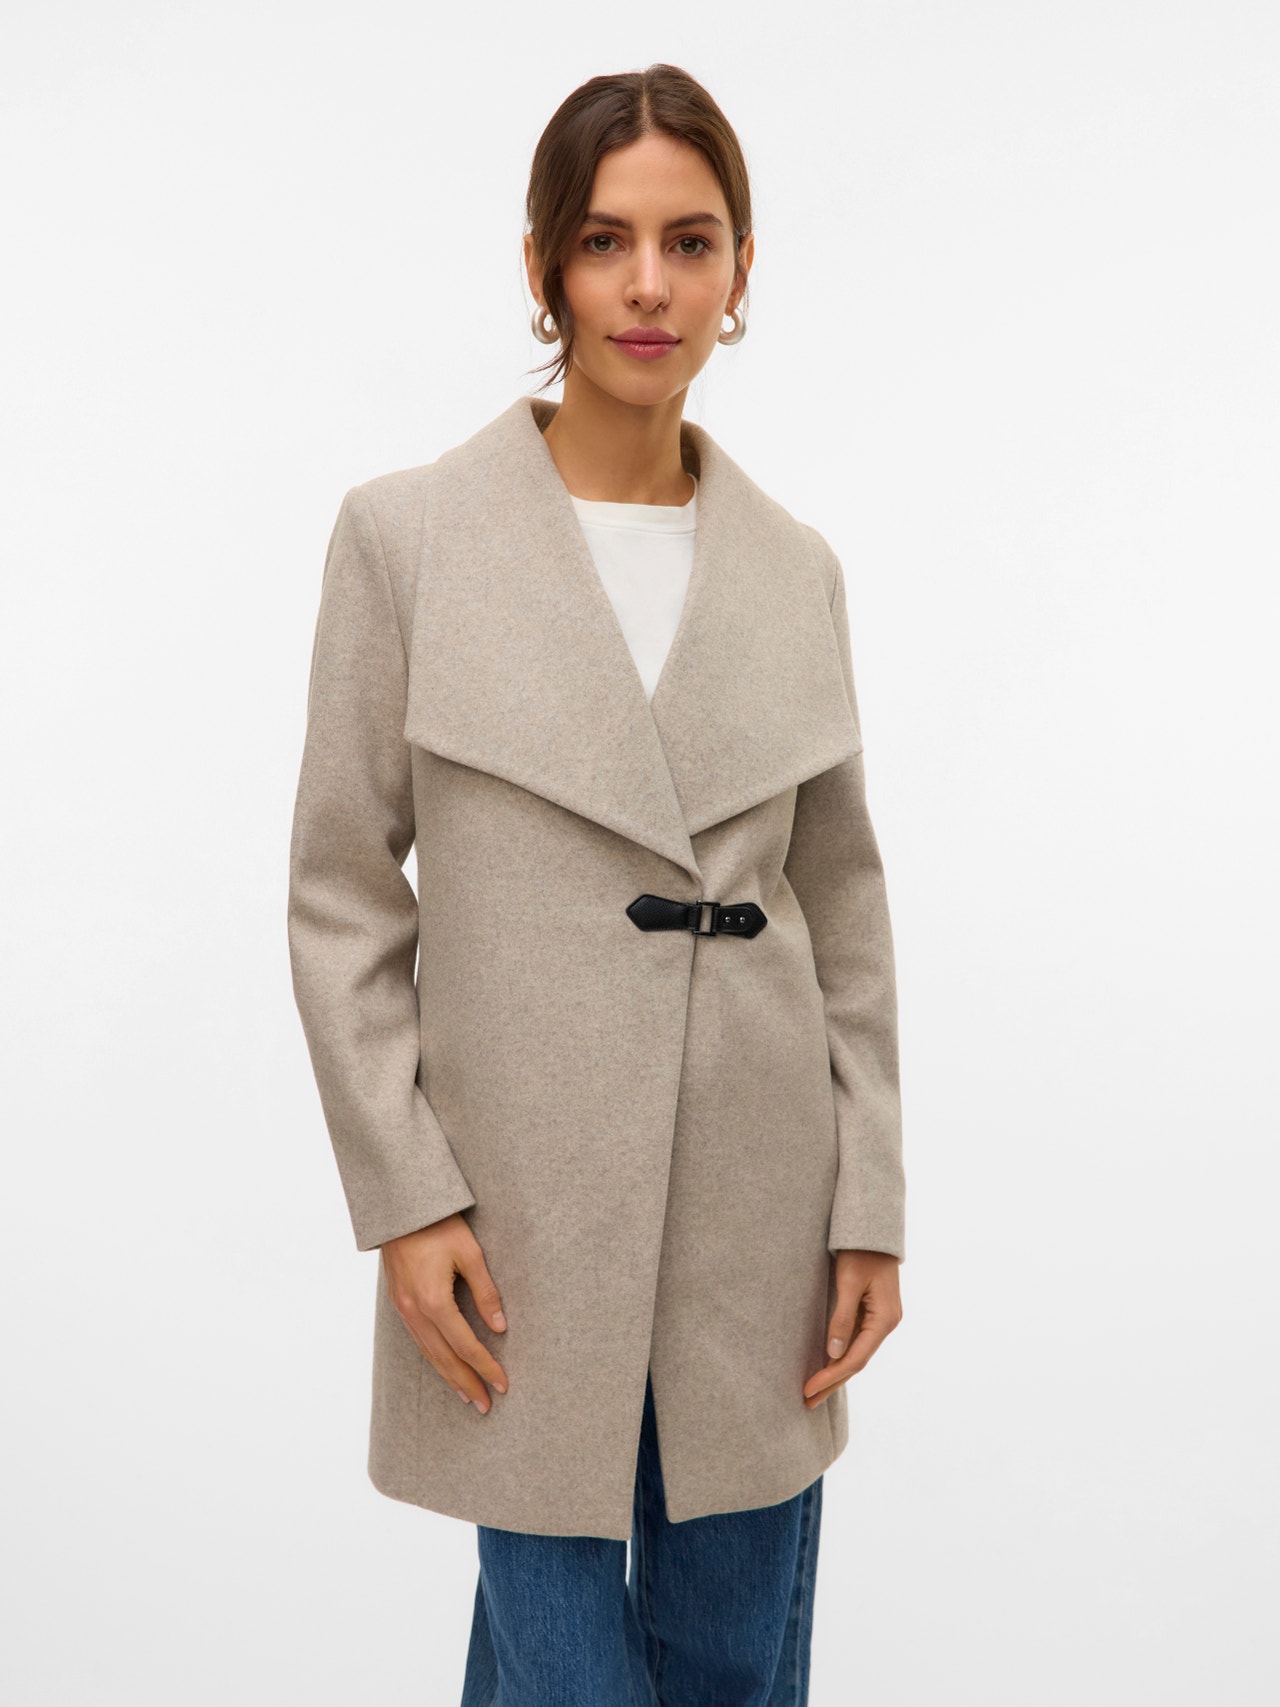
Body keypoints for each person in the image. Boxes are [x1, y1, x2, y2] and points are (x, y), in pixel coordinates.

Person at [287, 62, 906, 1707]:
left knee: (730, 1665)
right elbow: (341, 893)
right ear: (544, 266)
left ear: (742, 268)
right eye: (605, 241)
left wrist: (869, 1201)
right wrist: (405, 1194)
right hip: (517, 1218)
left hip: (761, 1211)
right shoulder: (410, 539)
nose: (648, 286)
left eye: (690, 242)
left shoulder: (795, 569)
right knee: (566, 1667)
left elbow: (845, 913)